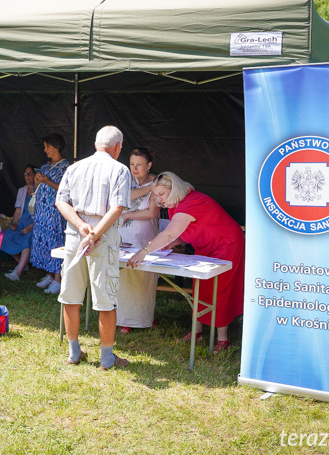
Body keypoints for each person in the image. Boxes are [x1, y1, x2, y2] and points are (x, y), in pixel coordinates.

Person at [128, 171, 245, 353]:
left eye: (161, 194)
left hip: (227, 244)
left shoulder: (191, 203)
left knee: (220, 290)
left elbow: (169, 233)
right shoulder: (178, 202)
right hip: (207, 245)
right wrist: (173, 243)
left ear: (174, 190)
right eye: (156, 195)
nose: (159, 200)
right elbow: (188, 231)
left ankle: (223, 339)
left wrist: (145, 251)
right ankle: (196, 332)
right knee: (200, 287)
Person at [55, 126, 132, 370]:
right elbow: (117, 208)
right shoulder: (120, 169)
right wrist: (94, 234)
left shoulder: (74, 167)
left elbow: (61, 201)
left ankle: (74, 353)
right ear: (117, 147)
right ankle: (107, 359)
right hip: (103, 236)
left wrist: (80, 227)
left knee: (71, 295)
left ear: (96, 143)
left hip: (75, 235)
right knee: (105, 299)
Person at [116, 147, 161, 334]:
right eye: (132, 164)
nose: (135, 169)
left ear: (149, 165)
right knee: (125, 278)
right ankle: (124, 319)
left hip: (145, 237)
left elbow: (152, 212)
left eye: (139, 165)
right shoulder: (126, 180)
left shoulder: (158, 182)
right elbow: (123, 197)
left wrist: (127, 215)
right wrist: (146, 189)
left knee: (144, 279)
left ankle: (144, 318)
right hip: (124, 237)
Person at [30, 133, 70, 295]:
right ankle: (49, 273)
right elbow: (35, 189)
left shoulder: (66, 167)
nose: (44, 149)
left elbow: (66, 190)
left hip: (54, 212)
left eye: (47, 146)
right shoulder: (45, 166)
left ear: (55, 147)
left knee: (55, 242)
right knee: (45, 243)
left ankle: (58, 279)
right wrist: (37, 182)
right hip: (42, 212)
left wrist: (47, 181)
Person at [3, 165, 37, 282]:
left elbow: (42, 216)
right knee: (6, 236)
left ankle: (18, 273)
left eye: (30, 173)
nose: (27, 176)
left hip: (34, 224)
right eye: (25, 174)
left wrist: (29, 228)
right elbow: (18, 210)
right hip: (22, 222)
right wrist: (15, 223)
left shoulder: (40, 190)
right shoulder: (22, 190)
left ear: (36, 175)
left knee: (27, 240)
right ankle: (23, 264)